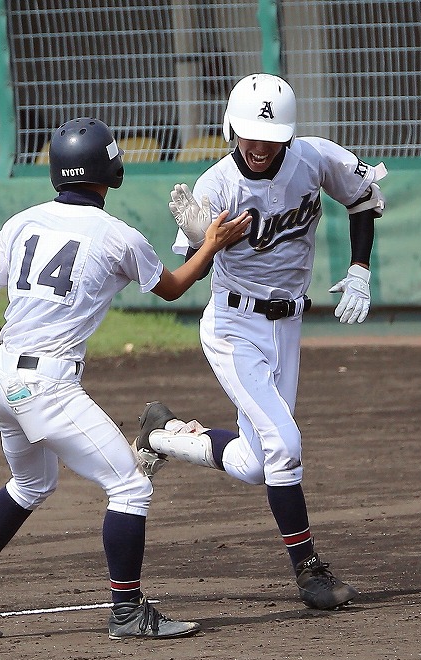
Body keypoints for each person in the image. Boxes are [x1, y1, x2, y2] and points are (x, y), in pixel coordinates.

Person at [0, 117, 251, 640]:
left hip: (4, 379)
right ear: (108, 168)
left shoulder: (22, 221)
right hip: (48, 388)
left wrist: (12, 353)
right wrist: (210, 245)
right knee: (128, 485)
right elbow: (171, 288)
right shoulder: (117, 236)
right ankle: (127, 611)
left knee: (32, 483)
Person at [133, 73, 388, 611]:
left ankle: (161, 437)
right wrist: (208, 241)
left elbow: (364, 197)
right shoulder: (216, 185)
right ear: (230, 127)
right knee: (286, 446)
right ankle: (310, 574)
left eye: (267, 137)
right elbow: (188, 278)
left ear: (288, 136)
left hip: (286, 328)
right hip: (232, 328)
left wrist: (360, 268)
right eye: (246, 133)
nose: (255, 145)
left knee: (256, 462)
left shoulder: (314, 159)